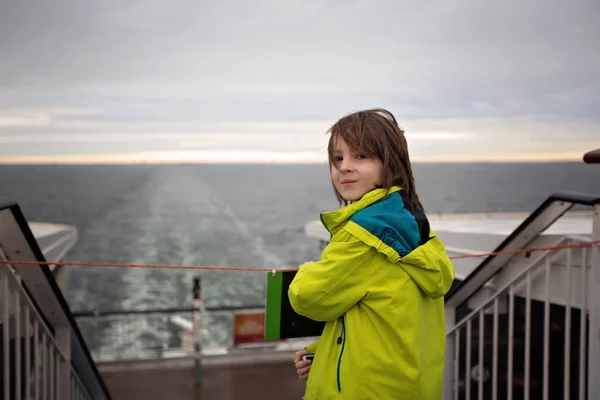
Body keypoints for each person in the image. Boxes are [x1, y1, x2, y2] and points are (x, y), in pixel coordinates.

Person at [288, 108, 455, 399]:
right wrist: (322, 355)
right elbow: (385, 317)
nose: (345, 167)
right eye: (338, 159)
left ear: (391, 163)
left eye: (361, 156)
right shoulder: (414, 225)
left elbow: (309, 298)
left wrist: (306, 270)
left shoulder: (362, 236)